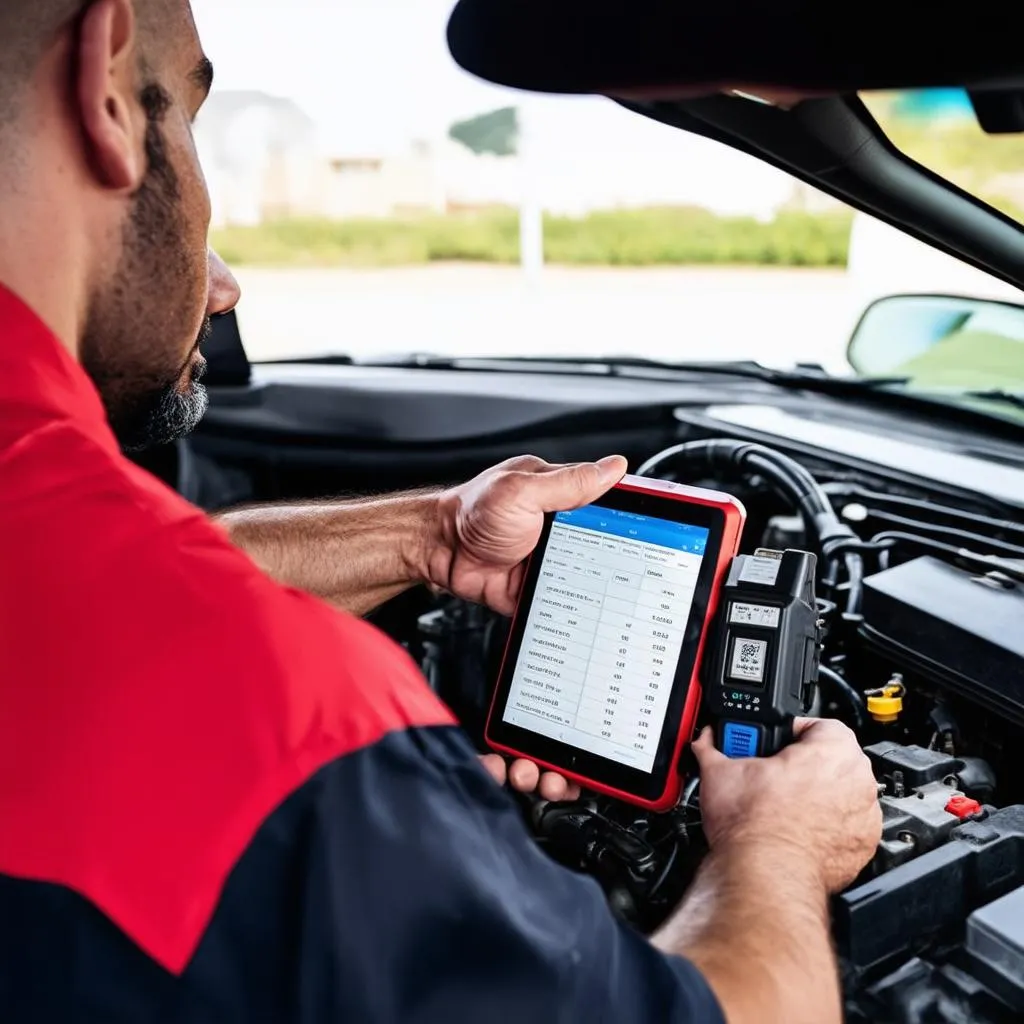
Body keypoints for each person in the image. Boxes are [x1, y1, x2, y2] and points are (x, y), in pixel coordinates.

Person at [0, 2, 883, 1023]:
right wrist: (780, 843)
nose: (224, 279)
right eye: (192, 120)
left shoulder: (61, 545)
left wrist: (430, 535)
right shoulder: (295, 732)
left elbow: (107, 583)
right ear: (106, 87)